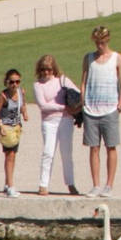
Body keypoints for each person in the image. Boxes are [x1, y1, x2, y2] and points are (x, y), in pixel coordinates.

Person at [81, 25, 121, 197]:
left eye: (102, 42)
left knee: (111, 147)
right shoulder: (89, 58)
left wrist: (119, 106)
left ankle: (109, 184)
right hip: (91, 109)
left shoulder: (117, 58)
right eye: (97, 42)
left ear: (107, 40)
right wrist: (83, 102)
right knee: (93, 148)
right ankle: (95, 184)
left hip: (110, 109)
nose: (99, 46)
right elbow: (84, 81)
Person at [31, 54, 79, 196]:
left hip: (66, 121)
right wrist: (63, 107)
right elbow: (43, 106)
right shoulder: (38, 85)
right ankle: (43, 184)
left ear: (54, 69)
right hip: (49, 121)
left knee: (67, 153)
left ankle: (70, 183)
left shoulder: (62, 80)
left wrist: (73, 108)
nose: (47, 72)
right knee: (48, 152)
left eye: (49, 69)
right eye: (44, 69)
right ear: (39, 70)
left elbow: (78, 95)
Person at [0, 67, 27, 197]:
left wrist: (25, 114)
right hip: (6, 128)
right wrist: (1, 126)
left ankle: (7, 183)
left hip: (16, 128)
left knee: (11, 155)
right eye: (12, 82)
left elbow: (22, 105)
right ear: (6, 82)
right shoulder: (3, 97)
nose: (14, 85)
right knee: (10, 155)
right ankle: (11, 186)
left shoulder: (21, 92)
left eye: (17, 81)